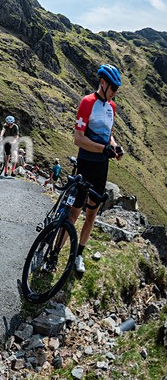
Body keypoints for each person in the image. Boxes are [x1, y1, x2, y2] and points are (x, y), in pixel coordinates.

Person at [67, 64, 124, 273]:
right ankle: (54, 253)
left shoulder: (112, 107)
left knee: (92, 215)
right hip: (85, 164)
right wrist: (103, 149)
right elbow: (78, 139)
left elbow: (108, 134)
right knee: (74, 213)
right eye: (114, 88)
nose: (116, 93)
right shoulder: (87, 102)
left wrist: (115, 146)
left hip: (102, 167)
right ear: (103, 83)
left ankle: (78, 255)